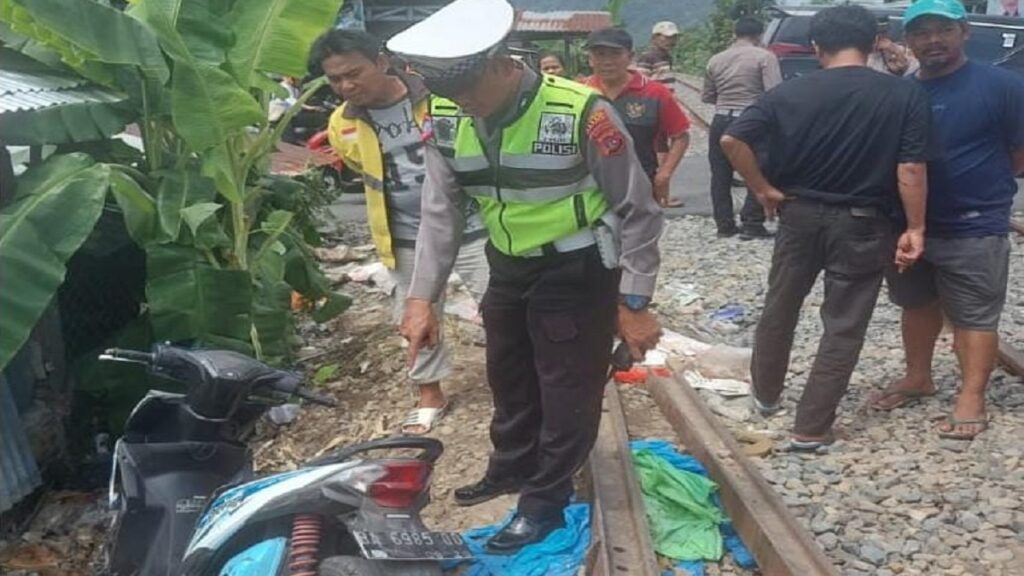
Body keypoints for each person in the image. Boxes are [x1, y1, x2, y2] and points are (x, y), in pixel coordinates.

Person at [389, 0, 664, 553]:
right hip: (507, 265)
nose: (464, 105)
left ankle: (545, 500)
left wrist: (634, 301)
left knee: (567, 386)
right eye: (451, 95)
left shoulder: (581, 112)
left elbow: (638, 208)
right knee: (509, 374)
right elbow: (440, 212)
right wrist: (422, 297)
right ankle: (510, 468)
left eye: (470, 90)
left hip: (578, 267)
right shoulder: (444, 115)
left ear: (500, 62)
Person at [720, 5, 930, 451]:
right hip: (865, 222)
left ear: (816, 47)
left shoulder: (790, 92)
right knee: (843, 323)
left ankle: (767, 395)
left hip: (797, 216)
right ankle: (811, 429)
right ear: (874, 43)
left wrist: (762, 189)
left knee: (781, 306)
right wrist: (915, 226)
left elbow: (731, 139)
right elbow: (910, 167)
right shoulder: (902, 94)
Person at [313, 29, 491, 435]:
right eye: (335, 80)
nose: (346, 85)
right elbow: (363, 171)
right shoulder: (342, 123)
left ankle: (516, 379)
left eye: (353, 73)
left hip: (474, 226)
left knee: (501, 306)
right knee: (413, 317)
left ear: (382, 61)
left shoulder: (438, 98)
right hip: (406, 235)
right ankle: (430, 393)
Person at [869, 0, 1024, 440]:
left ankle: (972, 395)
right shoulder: (902, 90)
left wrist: (980, 185)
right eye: (921, 32)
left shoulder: (1001, 86)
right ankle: (918, 376)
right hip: (906, 225)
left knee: (975, 313)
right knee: (915, 303)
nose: (932, 39)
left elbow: (1018, 154)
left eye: (943, 30)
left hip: (974, 223)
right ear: (908, 40)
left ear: (964, 33)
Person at [584, 28, 691, 207]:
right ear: (590, 59)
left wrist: (664, 174)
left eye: (615, 54)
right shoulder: (578, 91)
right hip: (589, 187)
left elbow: (680, 135)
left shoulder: (655, 93)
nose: (607, 62)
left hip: (640, 185)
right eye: (600, 54)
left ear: (630, 57)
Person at [702, 17, 781, 239]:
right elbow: (773, 93)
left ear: (735, 33)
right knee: (758, 168)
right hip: (751, 120)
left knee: (720, 174)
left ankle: (724, 225)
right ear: (759, 35)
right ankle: (752, 223)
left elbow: (708, 96)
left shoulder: (715, 59)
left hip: (721, 119)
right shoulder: (765, 57)